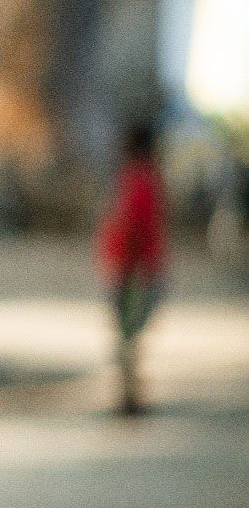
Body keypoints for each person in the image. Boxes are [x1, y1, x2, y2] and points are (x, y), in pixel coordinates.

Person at [96, 124, 167, 417]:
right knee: (129, 332)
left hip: (129, 265)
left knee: (128, 333)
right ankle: (128, 396)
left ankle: (129, 394)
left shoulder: (135, 178)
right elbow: (133, 225)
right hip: (134, 267)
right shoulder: (143, 179)